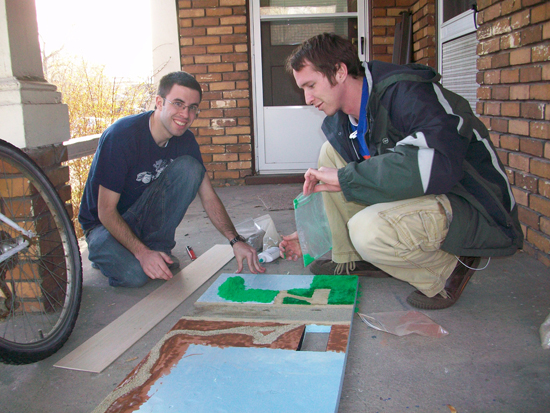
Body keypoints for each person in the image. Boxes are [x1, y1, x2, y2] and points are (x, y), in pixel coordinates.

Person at [279, 33, 523, 310]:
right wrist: (312, 231)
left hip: (470, 201)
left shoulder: (408, 93)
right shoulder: (344, 119)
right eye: (303, 89)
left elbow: (437, 164)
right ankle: (353, 255)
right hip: (427, 191)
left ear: (340, 71)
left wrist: (347, 178)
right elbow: (373, 175)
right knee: (330, 156)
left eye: (311, 85)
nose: (308, 98)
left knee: (368, 230)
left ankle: (448, 269)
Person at [79, 71, 264, 287]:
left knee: (190, 169)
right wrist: (141, 253)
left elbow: (208, 196)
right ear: (159, 102)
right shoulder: (121, 136)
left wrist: (235, 241)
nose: (185, 114)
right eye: (178, 103)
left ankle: (155, 247)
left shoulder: (185, 141)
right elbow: (105, 212)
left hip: (143, 218)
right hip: (105, 226)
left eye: (192, 107)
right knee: (135, 276)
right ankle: (107, 254)